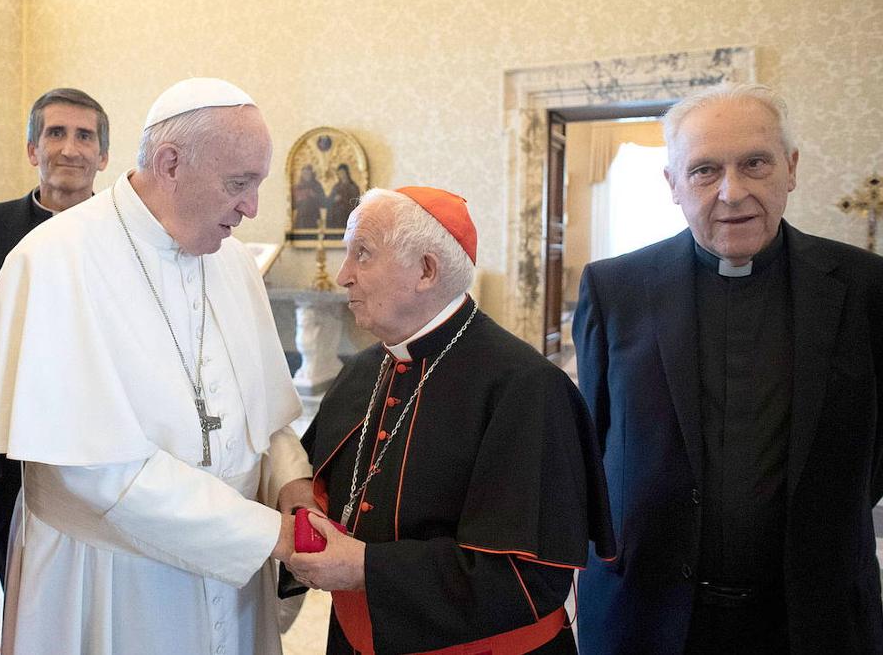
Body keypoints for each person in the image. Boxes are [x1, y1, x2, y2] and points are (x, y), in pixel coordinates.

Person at [0, 77, 315, 655]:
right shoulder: (52, 261)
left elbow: (268, 417)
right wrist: (269, 534)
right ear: (171, 162)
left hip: (236, 571)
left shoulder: (233, 263)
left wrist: (293, 484)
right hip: (111, 578)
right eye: (239, 183)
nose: (251, 207)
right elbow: (89, 474)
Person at [573, 83, 883, 653]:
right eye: (705, 171)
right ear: (673, 185)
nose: (732, 192)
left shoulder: (865, 288)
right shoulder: (615, 289)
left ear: (790, 169)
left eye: (755, 164)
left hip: (812, 616)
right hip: (645, 614)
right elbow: (591, 448)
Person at [288, 186, 615, 654]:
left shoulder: (526, 388)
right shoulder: (363, 369)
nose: (343, 276)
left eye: (362, 254)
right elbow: (318, 479)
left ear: (426, 269)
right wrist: (302, 495)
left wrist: (366, 567)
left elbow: (530, 577)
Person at [0, 87, 109, 583]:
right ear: (32, 149)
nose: (69, 148)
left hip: (101, 440)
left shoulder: (125, 235)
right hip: (9, 447)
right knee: (19, 575)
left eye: (85, 136)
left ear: (103, 156)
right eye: (54, 133)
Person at [325, 163, 360, 229]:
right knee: (332, 211)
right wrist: (334, 199)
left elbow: (355, 200)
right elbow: (330, 199)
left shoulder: (352, 186)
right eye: (340, 173)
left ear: (347, 173)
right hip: (337, 210)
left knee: (341, 211)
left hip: (347, 210)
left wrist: (343, 199)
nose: (342, 175)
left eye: (343, 173)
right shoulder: (336, 186)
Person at [292, 163, 325, 229]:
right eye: (304, 174)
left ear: (311, 174)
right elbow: (293, 204)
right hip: (301, 217)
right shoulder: (298, 186)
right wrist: (300, 197)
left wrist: (314, 195)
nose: (306, 175)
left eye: (308, 173)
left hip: (313, 216)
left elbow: (323, 202)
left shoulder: (317, 185)